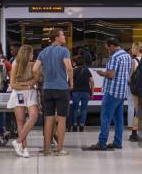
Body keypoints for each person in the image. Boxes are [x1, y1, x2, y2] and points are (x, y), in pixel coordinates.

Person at [33, 28, 73, 156]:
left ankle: (46, 149)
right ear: (56, 37)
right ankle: (60, 149)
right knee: (61, 120)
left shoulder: (43, 52)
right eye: (62, 35)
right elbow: (69, 68)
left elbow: (34, 69)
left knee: (48, 118)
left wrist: (41, 77)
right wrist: (71, 81)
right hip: (61, 88)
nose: (64, 37)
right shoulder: (64, 51)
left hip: (47, 89)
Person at [88, 38, 132, 151]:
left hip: (112, 92)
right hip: (122, 92)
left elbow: (111, 74)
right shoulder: (127, 56)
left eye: (108, 48)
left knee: (105, 117)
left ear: (112, 46)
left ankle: (102, 142)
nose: (108, 50)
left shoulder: (115, 57)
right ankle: (118, 142)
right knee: (119, 119)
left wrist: (101, 73)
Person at [8, 44, 39, 158]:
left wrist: (24, 84)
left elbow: (35, 80)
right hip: (19, 94)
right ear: (27, 54)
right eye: (31, 53)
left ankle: (18, 141)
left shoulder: (33, 65)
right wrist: (27, 85)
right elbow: (13, 84)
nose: (33, 55)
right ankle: (24, 147)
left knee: (34, 116)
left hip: (31, 93)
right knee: (20, 121)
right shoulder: (15, 64)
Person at [70, 55, 94, 132]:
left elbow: (70, 82)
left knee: (75, 109)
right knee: (84, 109)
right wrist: (92, 92)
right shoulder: (87, 70)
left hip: (76, 92)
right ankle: (81, 126)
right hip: (86, 92)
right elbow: (92, 82)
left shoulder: (73, 71)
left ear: (75, 62)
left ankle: (74, 125)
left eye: (73, 62)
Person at [126, 42, 142, 141]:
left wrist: (128, 81)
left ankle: (134, 132)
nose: (132, 49)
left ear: (137, 49)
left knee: (137, 109)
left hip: (135, 88)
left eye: (133, 48)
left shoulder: (134, 60)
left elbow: (131, 75)